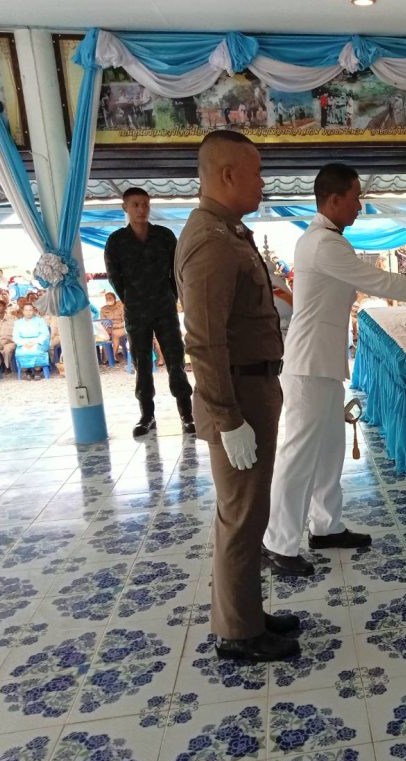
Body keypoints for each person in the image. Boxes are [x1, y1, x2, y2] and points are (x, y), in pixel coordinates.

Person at [260, 163, 406, 577]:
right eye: (355, 198)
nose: (359, 206)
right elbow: (380, 283)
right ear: (334, 199)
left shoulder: (324, 240)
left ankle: (325, 527)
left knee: (328, 450)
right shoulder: (324, 244)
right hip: (307, 366)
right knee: (299, 455)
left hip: (321, 363)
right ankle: (277, 543)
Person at [175, 130, 300, 664]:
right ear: (227, 175)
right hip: (238, 396)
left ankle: (246, 613)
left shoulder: (228, 232)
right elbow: (204, 342)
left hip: (251, 388)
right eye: (256, 172)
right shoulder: (211, 241)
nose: (262, 182)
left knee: (249, 511)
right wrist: (228, 419)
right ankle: (238, 634)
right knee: (242, 515)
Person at [104, 187, 194, 437]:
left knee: (176, 361)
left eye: (145, 204)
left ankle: (187, 415)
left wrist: (172, 296)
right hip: (136, 311)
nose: (141, 209)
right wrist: (131, 299)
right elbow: (114, 277)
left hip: (165, 308)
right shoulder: (117, 241)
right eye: (135, 205)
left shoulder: (164, 236)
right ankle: (147, 416)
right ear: (125, 208)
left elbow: (177, 270)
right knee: (141, 363)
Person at [13, 303, 50, 379]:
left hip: (38, 341)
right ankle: (27, 371)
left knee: (37, 351)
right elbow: (15, 336)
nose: (28, 312)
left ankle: (37, 371)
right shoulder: (18, 323)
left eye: (30, 310)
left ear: (33, 311)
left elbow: (45, 334)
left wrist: (34, 342)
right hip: (24, 342)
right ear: (23, 311)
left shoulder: (40, 321)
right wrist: (24, 343)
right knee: (21, 352)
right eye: (26, 310)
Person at [99, 291, 128, 360]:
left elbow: (125, 320)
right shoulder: (103, 309)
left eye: (110, 298)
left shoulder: (121, 306)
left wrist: (115, 326)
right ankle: (106, 359)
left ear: (114, 298)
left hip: (121, 327)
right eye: (106, 298)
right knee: (104, 336)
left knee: (115, 333)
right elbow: (103, 322)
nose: (108, 299)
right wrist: (107, 329)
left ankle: (112, 357)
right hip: (109, 328)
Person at [0, 300, 16, 371]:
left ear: (5, 307)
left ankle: (7, 366)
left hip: (10, 342)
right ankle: (0, 364)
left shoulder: (13, 318)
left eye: (0, 306)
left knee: (7, 350)